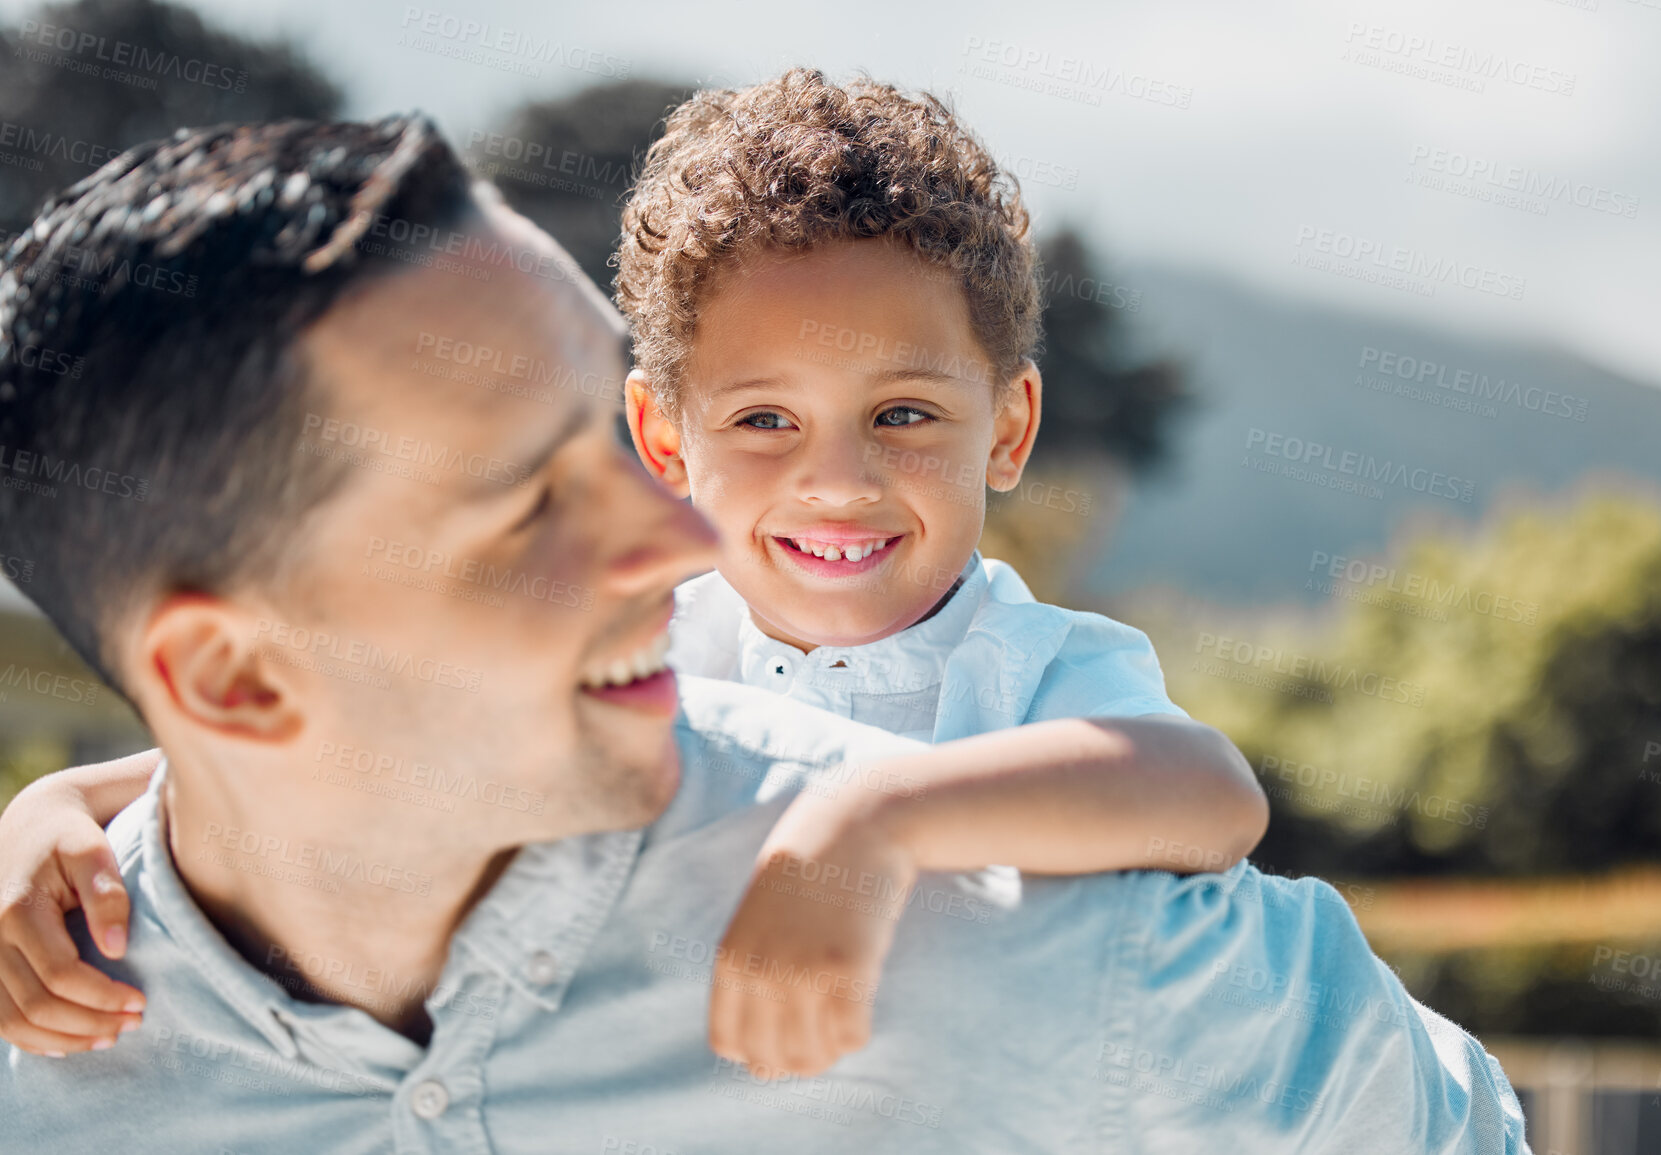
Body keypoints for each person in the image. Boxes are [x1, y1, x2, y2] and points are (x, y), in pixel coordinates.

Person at [0, 107, 1528, 1151]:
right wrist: (59, 807)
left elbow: (1207, 795)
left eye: (907, 414)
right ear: (669, 438)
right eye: (766, 422)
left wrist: (868, 821)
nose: (836, 480)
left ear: (1013, 427)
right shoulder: (640, 643)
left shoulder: (1035, 698)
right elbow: (360, 740)